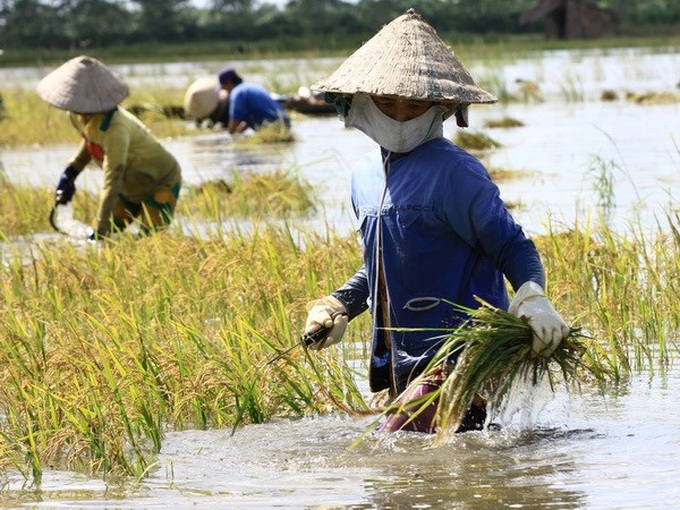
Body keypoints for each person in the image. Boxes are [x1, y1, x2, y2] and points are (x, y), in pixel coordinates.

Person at [302, 9, 570, 434]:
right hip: (399, 360)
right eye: (387, 103)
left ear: (444, 107)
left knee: (394, 445)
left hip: (463, 353)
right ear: (361, 103)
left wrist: (532, 296)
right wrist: (340, 305)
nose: (401, 116)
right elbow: (384, 265)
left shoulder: (455, 172)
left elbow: (512, 246)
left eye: (415, 105)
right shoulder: (364, 176)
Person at [37, 55, 182, 239]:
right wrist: (70, 174)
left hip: (161, 181)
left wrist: (101, 229)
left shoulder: (116, 129)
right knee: (108, 230)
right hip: (130, 188)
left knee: (150, 239)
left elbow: (112, 179)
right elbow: (90, 141)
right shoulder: (75, 116)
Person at [217, 67, 290, 134]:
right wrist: (239, 132)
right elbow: (251, 117)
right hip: (285, 122)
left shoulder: (237, 93)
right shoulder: (250, 87)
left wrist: (230, 137)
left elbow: (234, 123)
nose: (225, 91)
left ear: (228, 82)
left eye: (223, 87)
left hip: (273, 126)